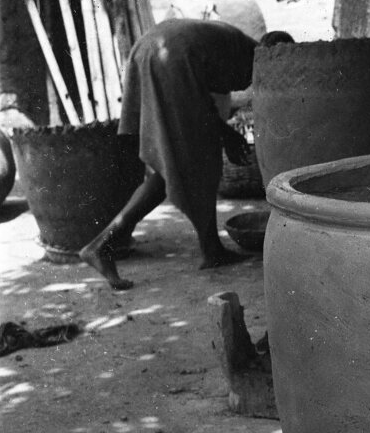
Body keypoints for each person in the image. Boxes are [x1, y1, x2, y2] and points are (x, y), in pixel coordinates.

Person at [80, 21, 293, 290]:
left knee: (173, 165)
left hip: (151, 48)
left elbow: (203, 97)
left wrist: (223, 132)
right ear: (272, 56)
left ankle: (209, 247)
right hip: (171, 58)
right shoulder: (250, 57)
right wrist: (226, 135)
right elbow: (200, 101)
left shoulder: (240, 45)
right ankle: (103, 244)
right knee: (194, 162)